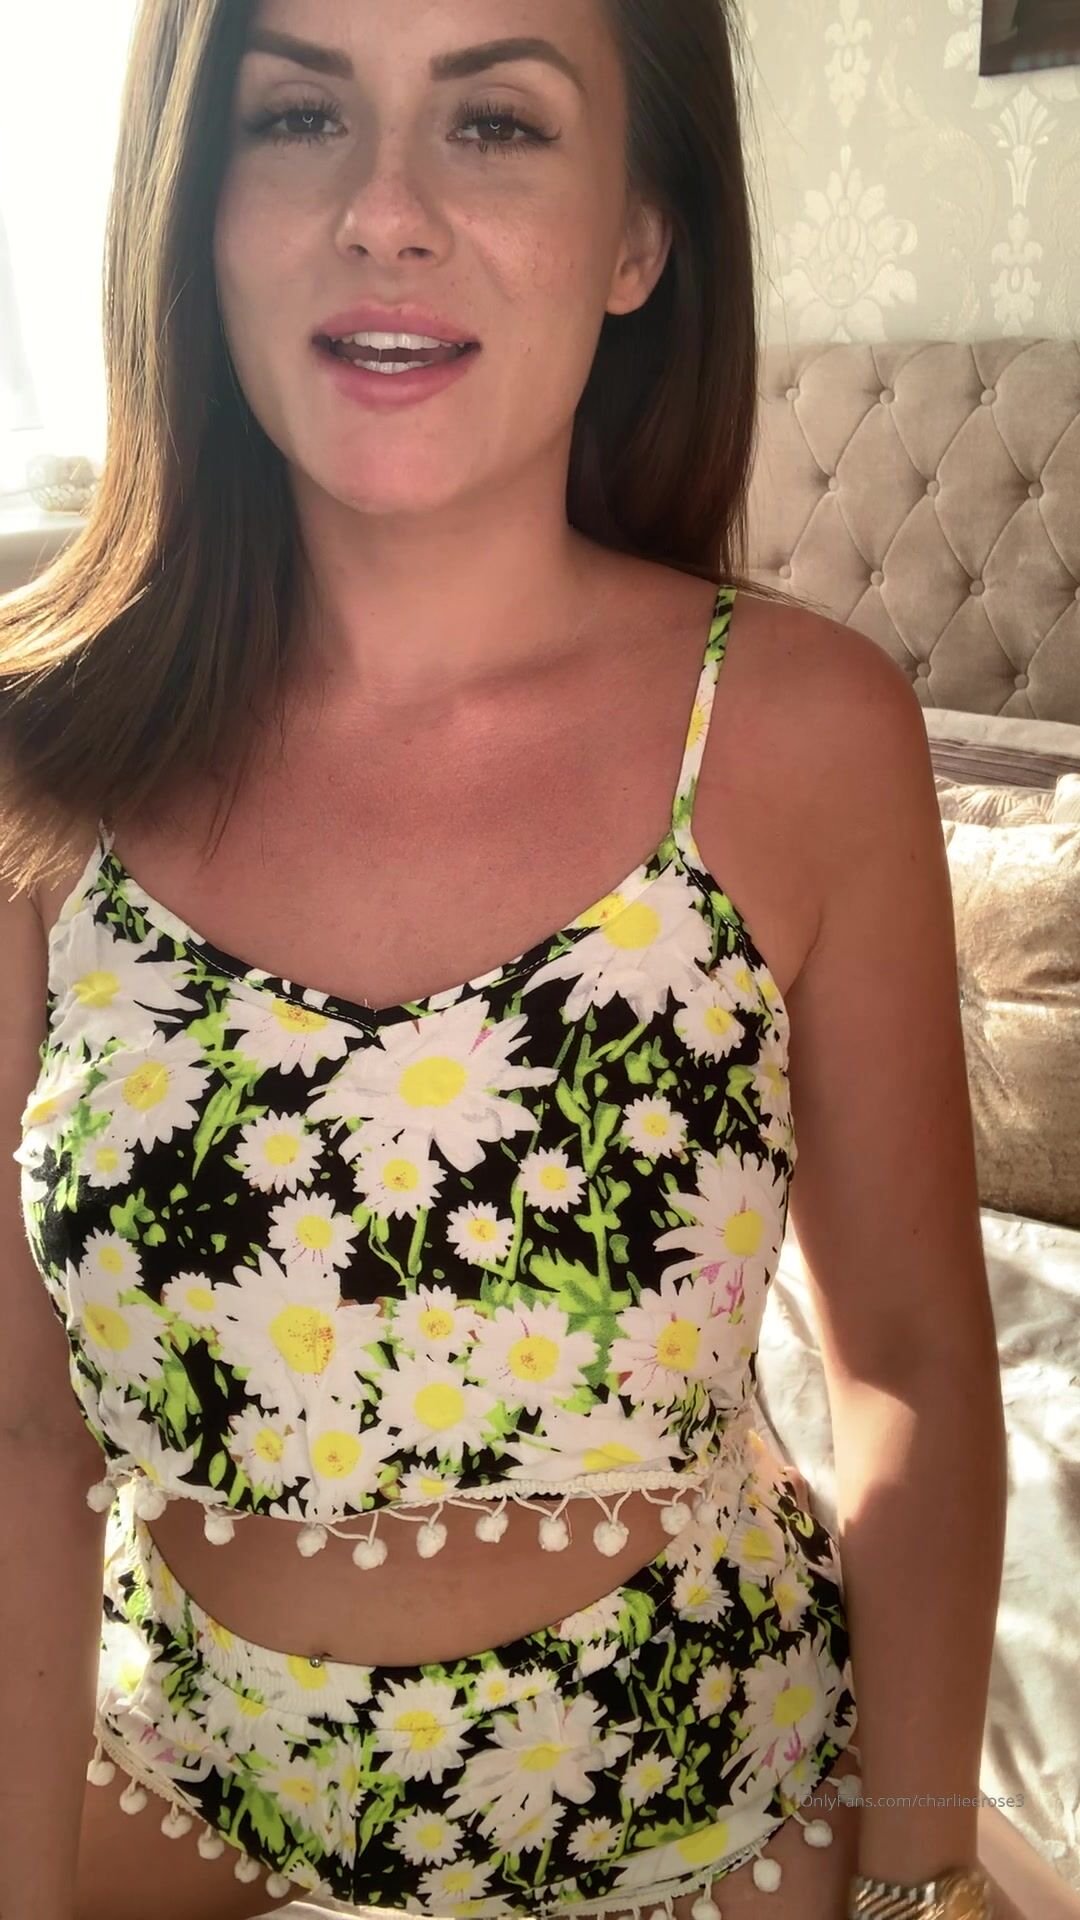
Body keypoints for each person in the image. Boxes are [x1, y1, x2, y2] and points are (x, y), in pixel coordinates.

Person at [1, 3, 1070, 1918]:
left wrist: (923, 1880)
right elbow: (15, 1435)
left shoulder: (806, 730)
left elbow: (909, 1357)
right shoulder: (38, 759)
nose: (385, 209)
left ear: (640, 232)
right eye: (297, 115)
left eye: (495, 122)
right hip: (185, 1799)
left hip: (723, 1806)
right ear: (192, 202)